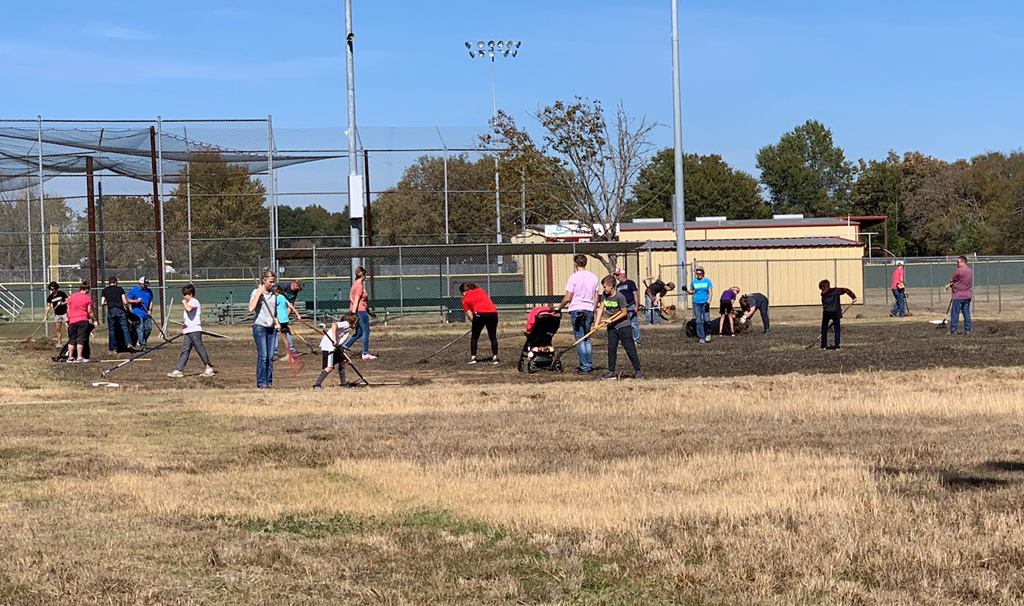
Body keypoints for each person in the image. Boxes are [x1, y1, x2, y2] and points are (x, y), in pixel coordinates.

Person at [555, 254, 600, 374]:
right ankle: (588, 363)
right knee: (587, 338)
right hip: (589, 309)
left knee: (580, 338)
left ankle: (585, 366)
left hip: (577, 309)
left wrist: (559, 308)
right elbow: (596, 297)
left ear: (576, 264)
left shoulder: (573, 278)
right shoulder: (594, 277)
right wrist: (594, 310)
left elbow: (568, 297)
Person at [595, 275, 642, 381]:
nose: (604, 289)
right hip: (612, 328)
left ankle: (638, 371)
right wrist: (596, 324)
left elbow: (624, 313)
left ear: (611, 286)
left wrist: (611, 320)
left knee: (630, 348)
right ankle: (611, 372)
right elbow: (601, 309)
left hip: (623, 326)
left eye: (605, 287)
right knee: (611, 349)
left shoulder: (620, 297)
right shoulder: (604, 296)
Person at [167, 284, 215, 378]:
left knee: (199, 348)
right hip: (188, 331)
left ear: (190, 294)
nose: (184, 297)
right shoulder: (190, 302)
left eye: (185, 295)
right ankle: (179, 370)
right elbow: (188, 318)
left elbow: (189, 309)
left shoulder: (194, 301)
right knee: (185, 350)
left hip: (195, 330)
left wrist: (184, 303)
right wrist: (184, 329)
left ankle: (208, 367)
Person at [248, 267, 280, 389]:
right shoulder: (256, 292)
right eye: (270, 282)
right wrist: (258, 294)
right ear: (264, 280)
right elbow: (251, 308)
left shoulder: (273, 294)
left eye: (273, 282)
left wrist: (277, 322)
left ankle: (269, 382)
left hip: (271, 328)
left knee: (271, 356)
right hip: (260, 327)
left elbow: (274, 311)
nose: (272, 284)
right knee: (263, 356)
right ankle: (261, 382)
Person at [313, 313, 358, 389]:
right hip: (329, 346)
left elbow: (340, 346)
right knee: (329, 367)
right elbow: (334, 325)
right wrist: (334, 339)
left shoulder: (346, 333)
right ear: (353, 322)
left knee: (342, 361)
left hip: (334, 347)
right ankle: (317, 385)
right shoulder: (346, 324)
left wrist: (347, 357)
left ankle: (343, 384)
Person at [460, 282, 499, 365]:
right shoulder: (481, 290)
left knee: (475, 337)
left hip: (479, 314)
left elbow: (470, 314)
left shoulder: (465, 299)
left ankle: (473, 358)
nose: (462, 295)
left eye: (462, 293)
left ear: (464, 291)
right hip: (493, 313)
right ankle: (495, 358)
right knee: (492, 336)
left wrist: (475, 324)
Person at [343, 267, 376, 361]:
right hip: (360, 312)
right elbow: (356, 300)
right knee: (366, 332)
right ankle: (365, 353)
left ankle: (344, 346)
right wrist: (353, 314)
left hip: (361, 310)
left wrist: (368, 311)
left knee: (359, 333)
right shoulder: (359, 286)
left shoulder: (355, 285)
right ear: (363, 275)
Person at [819, 279, 857, 350]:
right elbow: (846, 290)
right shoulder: (835, 291)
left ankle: (825, 346)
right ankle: (835, 346)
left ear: (824, 287)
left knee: (825, 329)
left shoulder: (825, 294)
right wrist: (853, 297)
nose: (822, 291)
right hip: (834, 312)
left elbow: (846, 290)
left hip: (828, 312)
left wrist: (853, 297)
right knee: (835, 329)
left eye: (822, 288)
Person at [66, 280, 97, 363]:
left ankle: (70, 357)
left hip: (72, 320)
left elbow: (68, 309)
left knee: (72, 339)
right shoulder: (87, 298)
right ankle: (79, 357)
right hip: (82, 320)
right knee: (80, 338)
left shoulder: (72, 296)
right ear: (87, 289)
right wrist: (94, 320)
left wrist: (68, 319)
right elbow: (89, 312)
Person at [100, 276, 131, 353]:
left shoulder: (105, 290)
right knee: (125, 328)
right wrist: (128, 309)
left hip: (111, 310)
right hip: (120, 309)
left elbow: (102, 303)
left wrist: (109, 302)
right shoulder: (120, 289)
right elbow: (125, 301)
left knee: (112, 330)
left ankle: (113, 348)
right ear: (116, 282)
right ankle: (129, 343)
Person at [946, 255, 973, 336]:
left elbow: (952, 279)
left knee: (955, 313)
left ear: (962, 262)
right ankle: (967, 330)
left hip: (958, 295)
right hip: (967, 295)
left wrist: (952, 284)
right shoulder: (970, 271)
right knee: (966, 313)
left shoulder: (959, 271)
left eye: (958, 262)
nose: (957, 264)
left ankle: (953, 330)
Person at [613, 269, 641, 346]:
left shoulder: (630, 283)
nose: (617, 277)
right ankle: (621, 341)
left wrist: (636, 305)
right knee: (621, 324)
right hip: (622, 307)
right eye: (616, 275)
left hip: (631, 305)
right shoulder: (618, 286)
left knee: (634, 324)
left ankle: (636, 340)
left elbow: (635, 294)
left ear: (623, 274)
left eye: (618, 275)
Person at [126, 277, 154, 349]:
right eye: (144, 284)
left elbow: (151, 301)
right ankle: (143, 345)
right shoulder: (134, 290)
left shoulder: (149, 291)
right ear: (141, 284)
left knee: (148, 328)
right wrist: (136, 301)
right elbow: (127, 300)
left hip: (146, 312)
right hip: (137, 312)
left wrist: (150, 310)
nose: (145, 286)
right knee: (140, 328)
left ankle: (141, 340)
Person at [688, 266, 713, 344]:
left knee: (707, 319)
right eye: (697, 273)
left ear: (703, 273)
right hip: (696, 302)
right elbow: (691, 291)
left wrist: (708, 302)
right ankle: (701, 337)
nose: (698, 275)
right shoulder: (694, 282)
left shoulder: (707, 281)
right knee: (699, 321)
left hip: (705, 302)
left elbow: (710, 292)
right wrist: (686, 289)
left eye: (700, 273)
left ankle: (708, 333)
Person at [273, 285, 299, 360]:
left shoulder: (278, 298)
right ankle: (289, 352)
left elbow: (272, 305)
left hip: (280, 320)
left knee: (284, 338)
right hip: (285, 320)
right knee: (285, 337)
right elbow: (291, 306)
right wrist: (298, 314)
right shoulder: (283, 297)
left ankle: (288, 354)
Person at [279, 280, 305, 355]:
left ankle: (291, 350)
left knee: (285, 331)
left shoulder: (294, 293)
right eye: (298, 288)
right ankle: (274, 351)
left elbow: (291, 306)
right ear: (296, 285)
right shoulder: (283, 286)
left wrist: (285, 318)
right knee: (274, 332)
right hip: (276, 312)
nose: (298, 291)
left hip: (283, 314)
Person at [43, 281, 69, 347]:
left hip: (64, 312)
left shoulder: (61, 294)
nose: (53, 290)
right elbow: (48, 306)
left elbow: (67, 300)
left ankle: (71, 341)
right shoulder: (50, 297)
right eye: (51, 289)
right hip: (57, 314)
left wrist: (62, 303)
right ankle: (59, 343)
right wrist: (46, 316)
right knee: (58, 329)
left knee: (67, 327)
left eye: (54, 289)